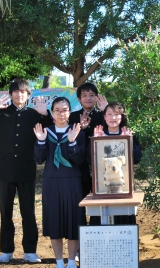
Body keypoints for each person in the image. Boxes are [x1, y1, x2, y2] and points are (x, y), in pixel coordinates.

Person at [0, 79, 53, 263]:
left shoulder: (34, 114)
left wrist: (45, 114)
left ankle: (30, 251)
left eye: (23, 92)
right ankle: (6, 250)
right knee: (5, 211)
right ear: (11, 93)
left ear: (28, 95)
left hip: (26, 168)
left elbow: (52, 128)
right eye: (15, 91)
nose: (19, 94)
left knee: (28, 212)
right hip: (4, 169)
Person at [33, 97, 86, 268]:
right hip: (52, 181)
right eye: (57, 110)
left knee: (73, 220)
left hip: (72, 181)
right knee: (54, 220)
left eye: (64, 110)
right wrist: (41, 140)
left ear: (70, 112)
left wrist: (71, 142)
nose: (61, 113)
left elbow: (79, 160)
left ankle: (71, 261)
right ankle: (58, 262)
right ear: (53, 112)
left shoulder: (78, 131)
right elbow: (39, 159)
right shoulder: (45, 131)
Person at [86, 101, 142, 224]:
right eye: (109, 114)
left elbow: (137, 159)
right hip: (102, 187)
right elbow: (90, 161)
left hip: (123, 187)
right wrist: (96, 142)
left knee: (124, 222)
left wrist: (130, 143)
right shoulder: (98, 134)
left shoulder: (129, 134)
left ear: (122, 117)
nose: (113, 118)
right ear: (104, 117)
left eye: (117, 114)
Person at [68, 82, 107, 226]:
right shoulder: (72, 117)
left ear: (97, 98)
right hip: (79, 167)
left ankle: (97, 234)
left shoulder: (104, 115)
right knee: (79, 205)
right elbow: (71, 140)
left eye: (92, 95)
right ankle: (81, 240)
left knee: (99, 205)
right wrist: (81, 129)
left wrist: (105, 111)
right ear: (79, 99)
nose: (88, 98)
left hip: (101, 167)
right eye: (84, 95)